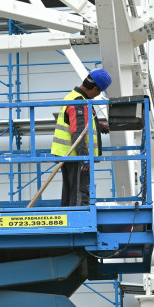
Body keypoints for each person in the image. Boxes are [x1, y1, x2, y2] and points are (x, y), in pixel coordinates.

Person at [51, 68, 111, 206]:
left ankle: (68, 220)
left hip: (67, 154)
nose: (97, 95)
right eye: (99, 92)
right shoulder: (80, 102)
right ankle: (78, 221)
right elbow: (78, 132)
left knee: (70, 191)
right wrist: (84, 158)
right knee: (79, 193)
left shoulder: (72, 96)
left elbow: (78, 122)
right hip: (75, 155)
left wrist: (97, 125)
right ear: (94, 89)